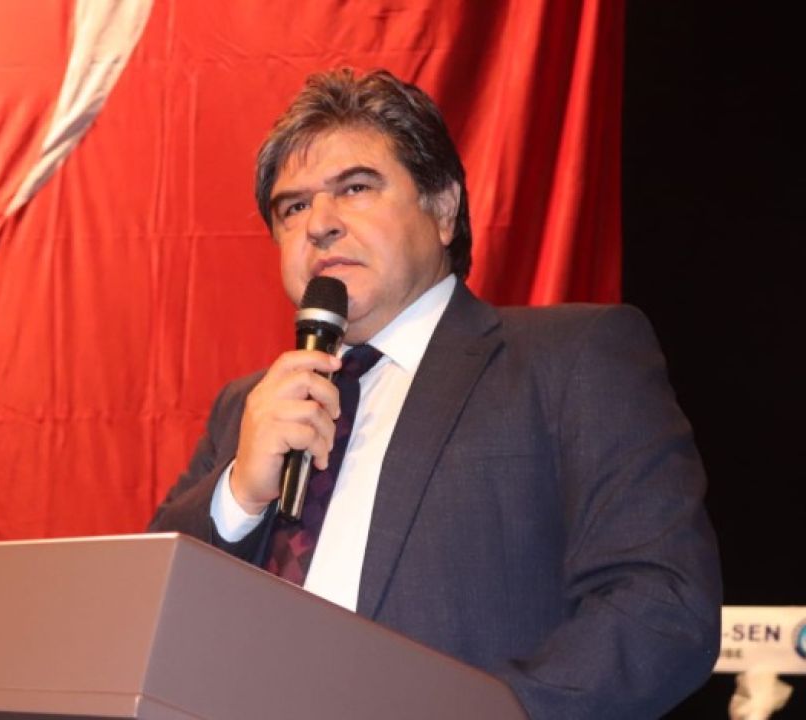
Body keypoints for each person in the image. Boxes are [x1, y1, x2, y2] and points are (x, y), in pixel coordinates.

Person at [148, 68, 721, 719]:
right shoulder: (247, 408)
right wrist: (239, 496)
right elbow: (144, 624)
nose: (320, 225)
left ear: (443, 208)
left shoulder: (569, 359)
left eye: (356, 187)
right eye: (293, 207)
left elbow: (663, 604)